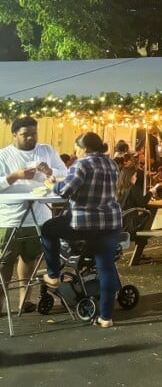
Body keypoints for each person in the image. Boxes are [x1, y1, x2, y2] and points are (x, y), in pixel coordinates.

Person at [40, 132, 122, 327]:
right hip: (111, 222)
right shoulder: (112, 164)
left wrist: (52, 184)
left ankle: (52, 275)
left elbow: (65, 190)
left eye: (77, 148)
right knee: (106, 268)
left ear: (84, 148)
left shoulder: (82, 164)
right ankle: (106, 317)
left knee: (48, 228)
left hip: (84, 224)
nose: (76, 152)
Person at [0, 116, 68, 314]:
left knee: (30, 258)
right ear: (14, 135)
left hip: (40, 215)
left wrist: (50, 171)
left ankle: (25, 299)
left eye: (33, 133)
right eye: (25, 135)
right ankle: (1, 301)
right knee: (5, 261)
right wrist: (15, 176)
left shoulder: (46, 150)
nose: (30, 138)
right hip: (9, 217)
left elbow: (64, 173)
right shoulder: (4, 155)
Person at [115, 165, 152, 235]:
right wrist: (150, 193)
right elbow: (142, 203)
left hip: (120, 221)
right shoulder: (133, 188)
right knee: (150, 213)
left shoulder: (118, 188)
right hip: (131, 222)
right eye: (134, 176)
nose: (136, 178)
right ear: (129, 177)